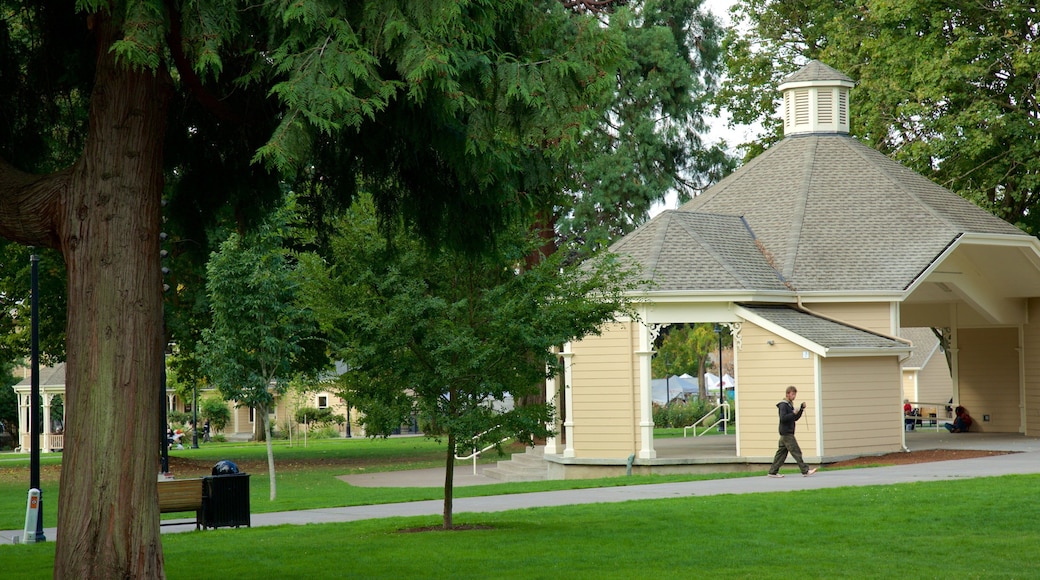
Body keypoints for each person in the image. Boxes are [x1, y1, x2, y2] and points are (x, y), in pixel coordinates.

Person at [767, 385, 817, 478]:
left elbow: (795, 418)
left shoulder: (789, 405)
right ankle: (805, 470)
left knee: (781, 454)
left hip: (785, 433)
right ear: (787, 394)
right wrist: (792, 413)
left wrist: (801, 409)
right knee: (796, 451)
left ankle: (772, 472)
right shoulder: (783, 405)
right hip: (787, 433)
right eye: (792, 394)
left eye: (795, 394)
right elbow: (783, 418)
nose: (794, 396)